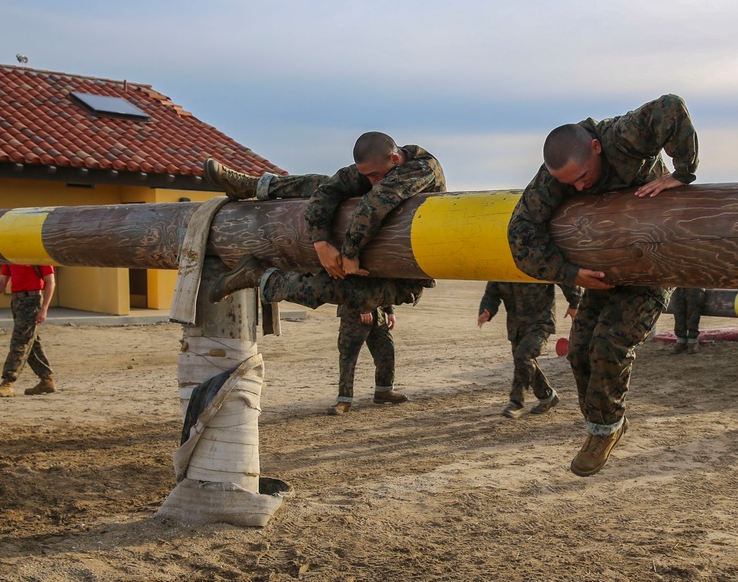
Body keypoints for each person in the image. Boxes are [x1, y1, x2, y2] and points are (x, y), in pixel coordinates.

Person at [507, 94, 698, 477]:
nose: (578, 188)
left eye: (581, 178)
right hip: (602, 276)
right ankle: (604, 425)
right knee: (579, 351)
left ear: (596, 148)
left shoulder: (622, 135)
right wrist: (567, 272)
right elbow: (520, 231)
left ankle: (604, 430)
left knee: (610, 345)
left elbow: (670, 108)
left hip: (650, 267)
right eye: (569, 184)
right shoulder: (557, 176)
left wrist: (682, 172)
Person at [203, 131, 445, 311]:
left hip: (407, 271)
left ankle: (255, 276)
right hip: (364, 251)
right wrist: (320, 241)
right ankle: (253, 186)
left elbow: (374, 205)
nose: (371, 181)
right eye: (367, 175)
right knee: (322, 182)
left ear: (394, 159)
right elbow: (329, 190)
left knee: (337, 292)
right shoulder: (379, 166)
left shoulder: (423, 168)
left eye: (374, 175)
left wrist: (349, 254)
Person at [478, 282, 582, 418]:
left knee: (523, 356)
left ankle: (516, 403)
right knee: (524, 361)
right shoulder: (503, 266)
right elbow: (492, 294)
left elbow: (565, 276)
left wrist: (575, 303)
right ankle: (547, 396)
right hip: (516, 326)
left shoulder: (537, 261)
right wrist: (487, 310)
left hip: (541, 323)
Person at [0, 264, 57, 397]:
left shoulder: (37, 255)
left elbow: (50, 281)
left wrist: (44, 308)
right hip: (17, 301)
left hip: (32, 300)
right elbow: (2, 281)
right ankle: (46, 379)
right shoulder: (12, 256)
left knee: (20, 342)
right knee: (31, 342)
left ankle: (8, 382)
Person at [329, 305, 407, 415]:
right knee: (348, 358)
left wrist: (389, 311)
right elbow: (345, 289)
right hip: (353, 317)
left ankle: (384, 391)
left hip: (377, 316)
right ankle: (344, 400)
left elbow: (383, 289)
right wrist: (363, 308)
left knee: (386, 351)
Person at [668, 287, 706, 354]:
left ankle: (693, 340)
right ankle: (681, 340)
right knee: (678, 309)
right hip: (678, 283)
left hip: (695, 282)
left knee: (693, 309)